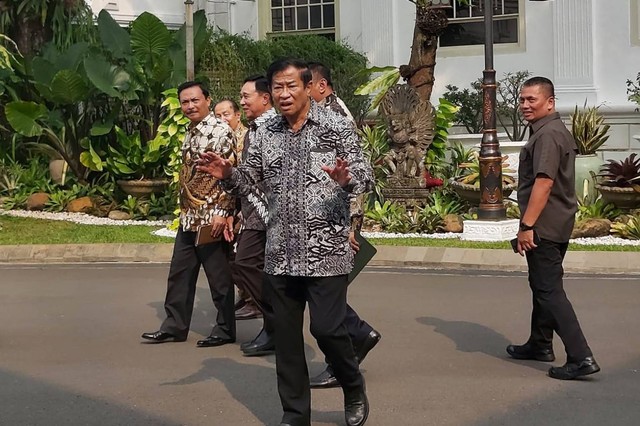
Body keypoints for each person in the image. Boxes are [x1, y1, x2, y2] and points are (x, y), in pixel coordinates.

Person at [198, 58, 372, 426]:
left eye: (292, 86)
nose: (284, 94)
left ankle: (352, 384)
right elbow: (250, 181)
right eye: (278, 87)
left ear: (308, 87)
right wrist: (229, 173)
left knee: (327, 329)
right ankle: (295, 414)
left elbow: (363, 174)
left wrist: (346, 180)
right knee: (288, 341)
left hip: (326, 250)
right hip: (279, 253)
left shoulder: (335, 126)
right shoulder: (264, 133)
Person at [508, 76, 600, 380]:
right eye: (522, 99)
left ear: (550, 102)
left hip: (544, 225)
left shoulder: (547, 135)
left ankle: (581, 356)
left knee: (549, 290)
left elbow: (544, 183)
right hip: (557, 221)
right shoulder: (553, 130)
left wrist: (527, 226)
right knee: (542, 285)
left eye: (531, 100)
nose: (524, 105)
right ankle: (540, 343)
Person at [141, 81, 237, 348]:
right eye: (185, 102)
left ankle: (225, 328)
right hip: (190, 215)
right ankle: (174, 326)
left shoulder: (220, 131)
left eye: (195, 100)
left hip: (211, 216)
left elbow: (229, 173)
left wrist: (222, 211)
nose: (190, 106)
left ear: (207, 100)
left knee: (218, 276)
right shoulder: (191, 130)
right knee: (180, 272)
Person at [307, 61, 382, 389]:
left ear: (321, 85)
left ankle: (347, 354)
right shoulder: (322, 112)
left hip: (338, 220)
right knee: (323, 294)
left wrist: (350, 229)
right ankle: (357, 336)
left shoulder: (334, 117)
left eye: (304, 86)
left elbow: (354, 175)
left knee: (326, 296)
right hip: (328, 219)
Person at [233, 75, 279, 357]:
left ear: (265, 98)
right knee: (248, 265)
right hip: (252, 212)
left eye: (246, 96)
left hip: (269, 213)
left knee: (246, 263)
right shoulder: (255, 129)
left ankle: (279, 321)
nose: (242, 101)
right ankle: (274, 325)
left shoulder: (274, 127)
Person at [214, 97, 261, 321]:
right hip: (235, 206)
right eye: (218, 115)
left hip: (250, 208)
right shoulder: (222, 138)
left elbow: (246, 179)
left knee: (243, 259)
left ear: (236, 116)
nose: (222, 119)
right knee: (233, 258)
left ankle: (256, 301)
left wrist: (234, 213)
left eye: (226, 114)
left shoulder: (247, 138)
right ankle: (248, 296)